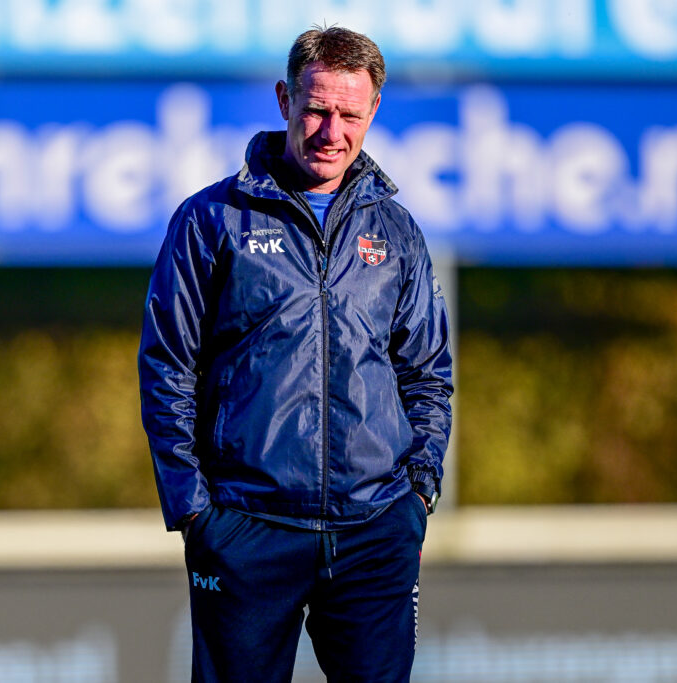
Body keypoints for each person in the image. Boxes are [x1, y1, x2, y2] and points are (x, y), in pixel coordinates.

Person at [138, 26, 452, 682]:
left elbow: (427, 374)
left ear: (374, 111)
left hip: (375, 529)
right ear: (285, 99)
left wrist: (417, 496)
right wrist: (195, 511)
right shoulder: (211, 220)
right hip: (245, 529)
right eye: (316, 109)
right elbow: (167, 366)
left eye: (350, 115)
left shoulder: (397, 232)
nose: (331, 131)